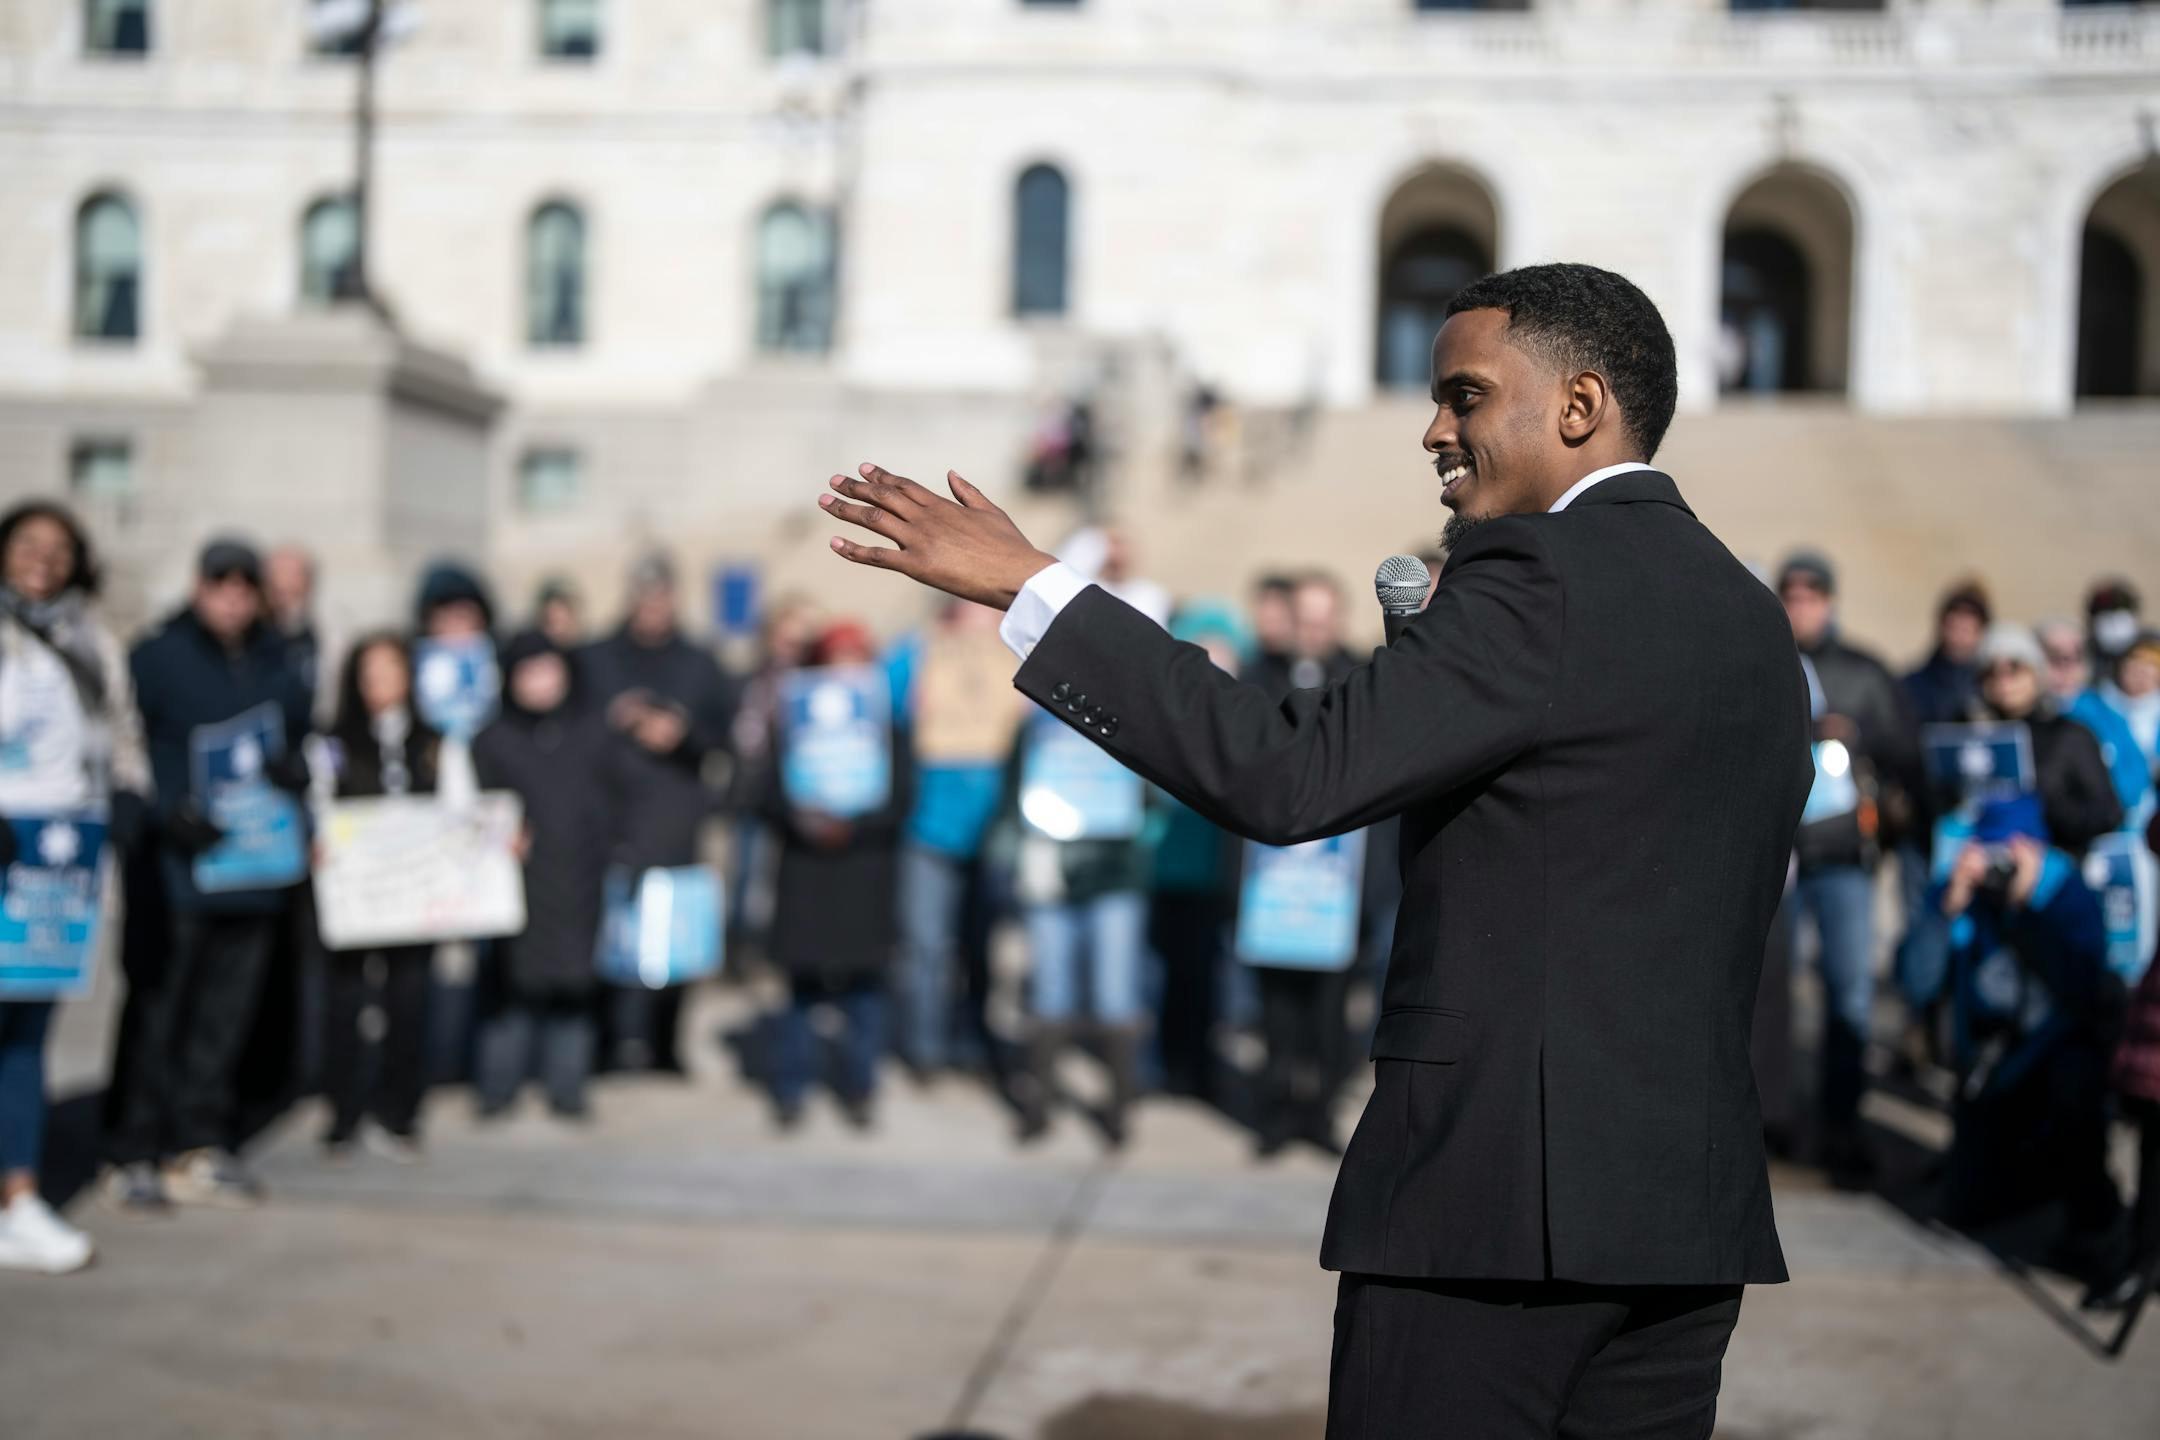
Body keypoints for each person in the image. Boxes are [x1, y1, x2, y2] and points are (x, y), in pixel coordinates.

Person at [821, 262, 1810, 1436]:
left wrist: (1034, 590)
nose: (1435, 429)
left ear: (1579, 405)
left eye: (1467, 394)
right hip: (1682, 1214)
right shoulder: (1746, 612)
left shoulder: (1541, 579)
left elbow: (1288, 770)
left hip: (1498, 1204)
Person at [104, 538, 311, 1212]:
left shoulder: (279, 661)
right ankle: (134, 1145)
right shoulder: (157, 655)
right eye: (218, 584)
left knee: (226, 1018)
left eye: (243, 587)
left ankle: (199, 1140)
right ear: (198, 588)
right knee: (160, 1010)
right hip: (177, 870)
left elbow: (307, 740)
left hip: (252, 870)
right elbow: (123, 743)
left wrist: (296, 771)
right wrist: (168, 809)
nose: (231, 599)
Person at [0, 502, 147, 1272]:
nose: (43, 560)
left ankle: (19, 1198)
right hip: (4, 846)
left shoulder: (89, 638)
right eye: (28, 545)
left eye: (59, 549)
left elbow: (119, 730)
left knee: (27, 1039)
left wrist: (126, 795)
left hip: (60, 862)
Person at [1778, 547, 1918, 1186]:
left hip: (1842, 857)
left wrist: (1853, 731)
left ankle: (1842, 1123)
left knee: (1849, 993)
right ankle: (1776, 1122)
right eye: (1791, 595)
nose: (1800, 606)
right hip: (1776, 857)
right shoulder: (1763, 659)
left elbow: (1906, 753)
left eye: (1811, 597)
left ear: (1830, 601)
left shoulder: (1864, 671)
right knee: (1767, 993)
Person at [580, 554, 736, 1074]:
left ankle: (666, 1046)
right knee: (609, 932)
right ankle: (607, 1044)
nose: (652, 607)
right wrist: (616, 718)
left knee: (678, 934)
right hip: (610, 812)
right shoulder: (597, 656)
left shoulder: (700, 661)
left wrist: (682, 733)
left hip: (675, 812)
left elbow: (727, 732)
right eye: (644, 596)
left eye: (661, 596)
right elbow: (573, 723)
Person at [761, 621, 910, 1131]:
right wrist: (804, 820)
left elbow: (902, 797)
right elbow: (764, 793)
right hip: (807, 875)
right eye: (836, 658)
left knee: (865, 992)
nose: (846, 669)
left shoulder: (889, 724)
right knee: (801, 992)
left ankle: (860, 1086)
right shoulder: (789, 720)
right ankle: (791, 1087)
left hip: (864, 873)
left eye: (856, 658)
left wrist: (854, 824)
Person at [471, 632, 624, 1120]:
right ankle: (498, 1087)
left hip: (580, 877)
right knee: (511, 990)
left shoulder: (593, 730)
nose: (539, 682)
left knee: (574, 990)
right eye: (528, 672)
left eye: (548, 669)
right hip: (514, 883)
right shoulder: (491, 738)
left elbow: (620, 796)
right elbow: (472, 812)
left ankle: (568, 1086)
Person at [316, 634, 441, 1162]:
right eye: (369, 673)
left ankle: (399, 1111)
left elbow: (459, 811)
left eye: (390, 670)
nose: (380, 684)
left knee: (409, 1002)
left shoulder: (435, 743)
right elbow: (319, 807)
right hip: (356, 897)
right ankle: (344, 1109)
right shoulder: (333, 743)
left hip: (412, 898)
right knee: (345, 1003)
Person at [885, 599, 1023, 1078]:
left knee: (981, 945)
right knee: (925, 946)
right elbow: (877, 710)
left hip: (993, 832)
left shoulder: (1017, 649)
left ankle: (973, 1037)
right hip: (926, 827)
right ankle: (924, 1047)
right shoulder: (916, 651)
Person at [1146, 602, 1248, 1105]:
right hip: (1166, 869)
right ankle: (1169, 1065)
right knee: (1166, 975)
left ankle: (1204, 1068)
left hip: (1218, 874)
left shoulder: (1244, 716)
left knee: (1212, 980)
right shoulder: (1163, 715)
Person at [1963, 625, 2121, 858]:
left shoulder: (2070, 734)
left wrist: (2048, 804)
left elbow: (2108, 813)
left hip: (2056, 867)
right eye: (1991, 672)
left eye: (2015, 670)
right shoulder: (1970, 736)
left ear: (2036, 674)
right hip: (1980, 864)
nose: (2004, 682)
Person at [1902, 580, 1990, 729]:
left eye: (1968, 628)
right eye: (1955, 626)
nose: (1960, 635)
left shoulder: (1992, 686)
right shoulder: (1911, 686)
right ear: (1942, 625)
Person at [533, 577, 583, 650]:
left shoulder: (589, 654)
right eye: (550, 623)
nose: (557, 631)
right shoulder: (534, 653)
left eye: (561, 621)